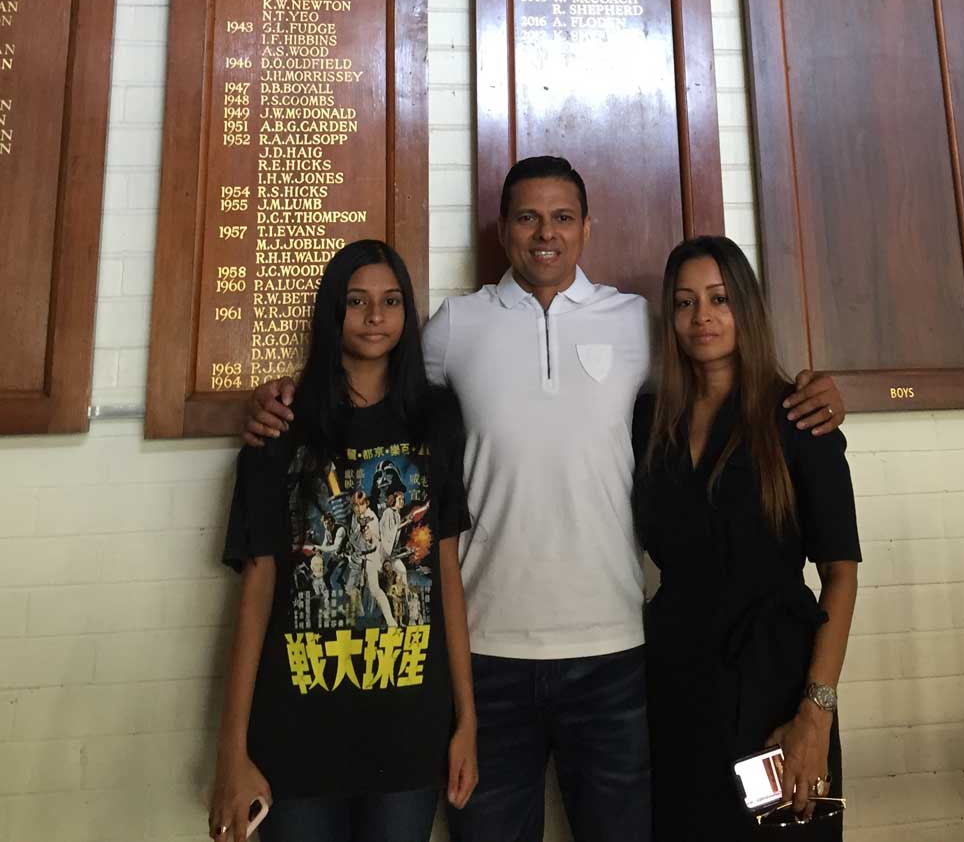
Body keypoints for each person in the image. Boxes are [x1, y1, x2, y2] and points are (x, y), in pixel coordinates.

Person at [242, 158, 847, 842]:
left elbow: (724, 363)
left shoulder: (637, 323)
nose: (545, 233)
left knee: (767, 831)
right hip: (490, 658)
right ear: (504, 230)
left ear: (587, 227)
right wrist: (283, 396)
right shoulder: (457, 325)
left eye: (562, 217)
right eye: (527, 217)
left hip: (618, 658)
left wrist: (818, 387)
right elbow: (373, 366)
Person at [210, 240, 478, 842]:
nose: (375, 316)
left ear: (408, 314)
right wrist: (232, 749)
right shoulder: (279, 429)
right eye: (356, 301)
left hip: (410, 730)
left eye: (390, 301)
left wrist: (467, 720)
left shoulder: (436, 423)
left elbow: (448, 578)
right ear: (332, 312)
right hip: (298, 731)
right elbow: (255, 594)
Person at [634, 236, 860, 840]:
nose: (702, 317)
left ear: (747, 308)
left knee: (781, 834)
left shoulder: (800, 416)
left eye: (719, 298)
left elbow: (841, 572)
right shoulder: (651, 423)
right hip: (677, 687)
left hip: (777, 692)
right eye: (684, 303)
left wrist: (815, 713)